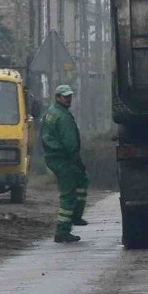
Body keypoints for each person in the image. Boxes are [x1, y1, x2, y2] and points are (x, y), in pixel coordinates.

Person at [41, 84, 89, 244]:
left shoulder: (51, 113)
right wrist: (78, 162)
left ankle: (76, 215)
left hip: (54, 157)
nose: (69, 99)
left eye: (70, 96)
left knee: (82, 180)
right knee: (68, 194)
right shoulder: (63, 117)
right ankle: (62, 231)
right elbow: (70, 144)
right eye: (65, 96)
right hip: (64, 159)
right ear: (58, 97)